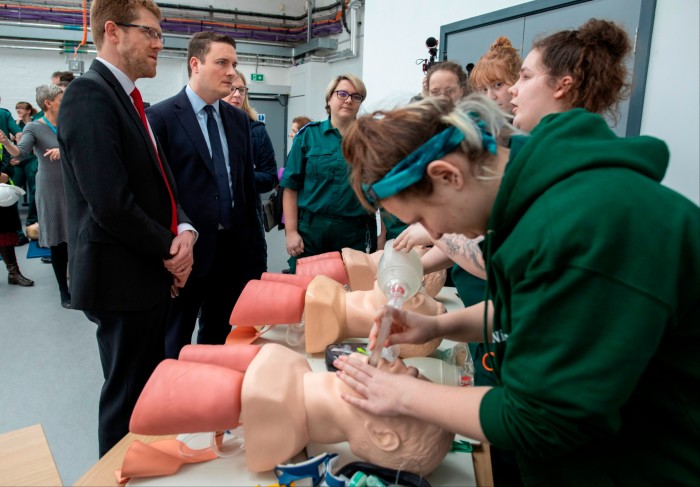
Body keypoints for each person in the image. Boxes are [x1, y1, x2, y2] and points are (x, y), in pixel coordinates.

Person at [336, 87, 700, 484]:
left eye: (424, 216)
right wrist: (437, 327)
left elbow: (542, 419)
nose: (434, 233)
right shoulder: (535, 206)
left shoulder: (584, 225)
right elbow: (531, 314)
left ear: (447, 175)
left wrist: (401, 394)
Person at [57, 0, 196, 456]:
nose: (160, 43)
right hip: (121, 278)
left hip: (142, 272)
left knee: (145, 395)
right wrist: (169, 250)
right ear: (113, 32)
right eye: (150, 33)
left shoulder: (129, 99)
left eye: (160, 33)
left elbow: (156, 184)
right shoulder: (89, 94)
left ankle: (142, 466)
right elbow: (111, 203)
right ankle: (117, 474)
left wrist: (180, 234)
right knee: (127, 401)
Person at [127, 343, 454, 476]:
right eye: (412, 372)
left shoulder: (270, 414)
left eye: (406, 386)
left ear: (383, 436)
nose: (402, 366)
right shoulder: (291, 370)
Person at [146, 32, 266, 359]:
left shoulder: (238, 121)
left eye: (234, 64)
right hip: (186, 253)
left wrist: (253, 254)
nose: (231, 72)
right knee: (175, 339)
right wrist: (165, 256)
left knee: (218, 335)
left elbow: (244, 191)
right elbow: (157, 195)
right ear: (195, 64)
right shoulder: (161, 118)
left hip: (230, 253)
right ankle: (173, 401)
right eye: (222, 63)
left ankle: (206, 400)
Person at [280, 74, 377, 273]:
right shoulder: (308, 136)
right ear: (329, 99)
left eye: (356, 96)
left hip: (353, 232)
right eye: (342, 94)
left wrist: (382, 236)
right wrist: (291, 232)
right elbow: (290, 187)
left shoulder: (371, 140)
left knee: (351, 293)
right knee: (308, 292)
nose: (348, 100)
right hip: (312, 232)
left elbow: (384, 188)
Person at [0, 85, 70, 307]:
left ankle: (81, 285)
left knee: (78, 238)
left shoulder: (70, 121)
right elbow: (20, 153)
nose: (66, 99)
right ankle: (64, 292)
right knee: (59, 241)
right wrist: (6, 143)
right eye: (61, 97)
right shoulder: (34, 127)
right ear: (48, 103)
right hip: (51, 190)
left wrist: (64, 150)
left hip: (75, 187)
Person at [224, 68, 278, 243]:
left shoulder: (257, 130)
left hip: (248, 219)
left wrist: (239, 176)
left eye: (241, 89)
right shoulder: (206, 126)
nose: (237, 94)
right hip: (211, 222)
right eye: (232, 89)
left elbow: (270, 177)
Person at [13, 101, 40, 229]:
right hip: (18, 161)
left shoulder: (35, 122)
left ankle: (32, 220)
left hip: (31, 158)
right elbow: (11, 137)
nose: (18, 111)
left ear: (28, 111)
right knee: (13, 189)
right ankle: (14, 225)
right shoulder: (15, 123)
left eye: (21, 108)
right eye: (17, 108)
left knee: (34, 189)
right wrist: (17, 123)